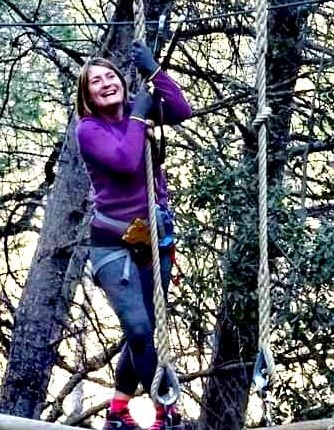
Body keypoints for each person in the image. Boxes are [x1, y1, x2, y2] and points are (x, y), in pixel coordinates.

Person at [76, 41, 192, 430]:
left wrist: (154, 71)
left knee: (143, 331)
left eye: (111, 76)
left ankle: (118, 412)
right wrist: (140, 116)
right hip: (112, 244)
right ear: (87, 95)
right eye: (96, 81)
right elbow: (125, 161)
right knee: (139, 329)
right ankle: (167, 410)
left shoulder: (136, 112)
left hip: (154, 236)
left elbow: (182, 110)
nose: (106, 83)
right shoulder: (89, 129)